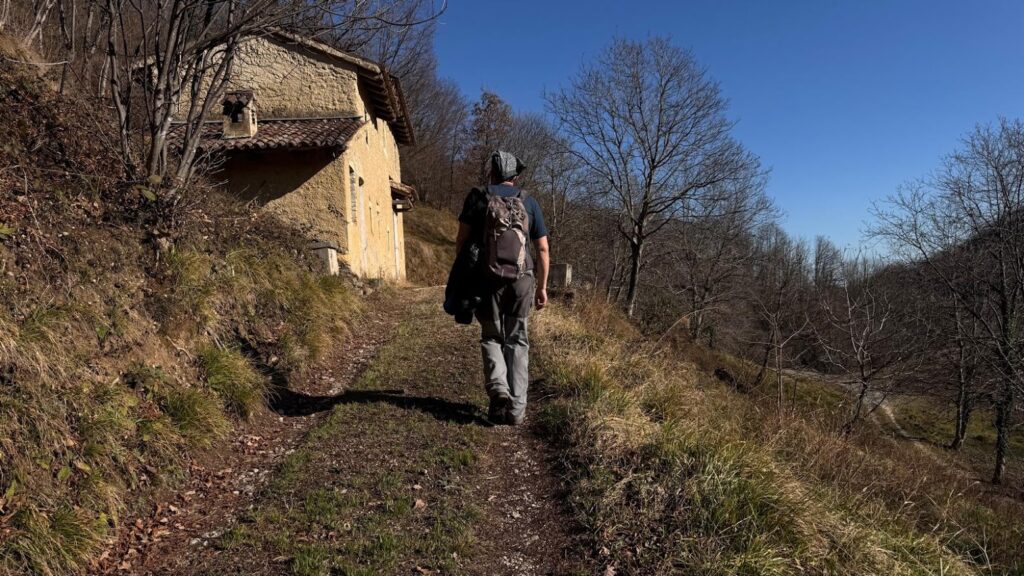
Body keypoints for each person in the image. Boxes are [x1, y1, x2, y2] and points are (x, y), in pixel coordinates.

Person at [455, 150, 549, 425]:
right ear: (515, 176)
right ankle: (517, 411)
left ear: (492, 172)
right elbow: (542, 249)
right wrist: (542, 287)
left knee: (492, 337)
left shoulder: (478, 197)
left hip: (487, 281)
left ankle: (498, 390)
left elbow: (461, 242)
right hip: (522, 281)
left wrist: (464, 276)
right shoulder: (528, 201)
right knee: (518, 340)